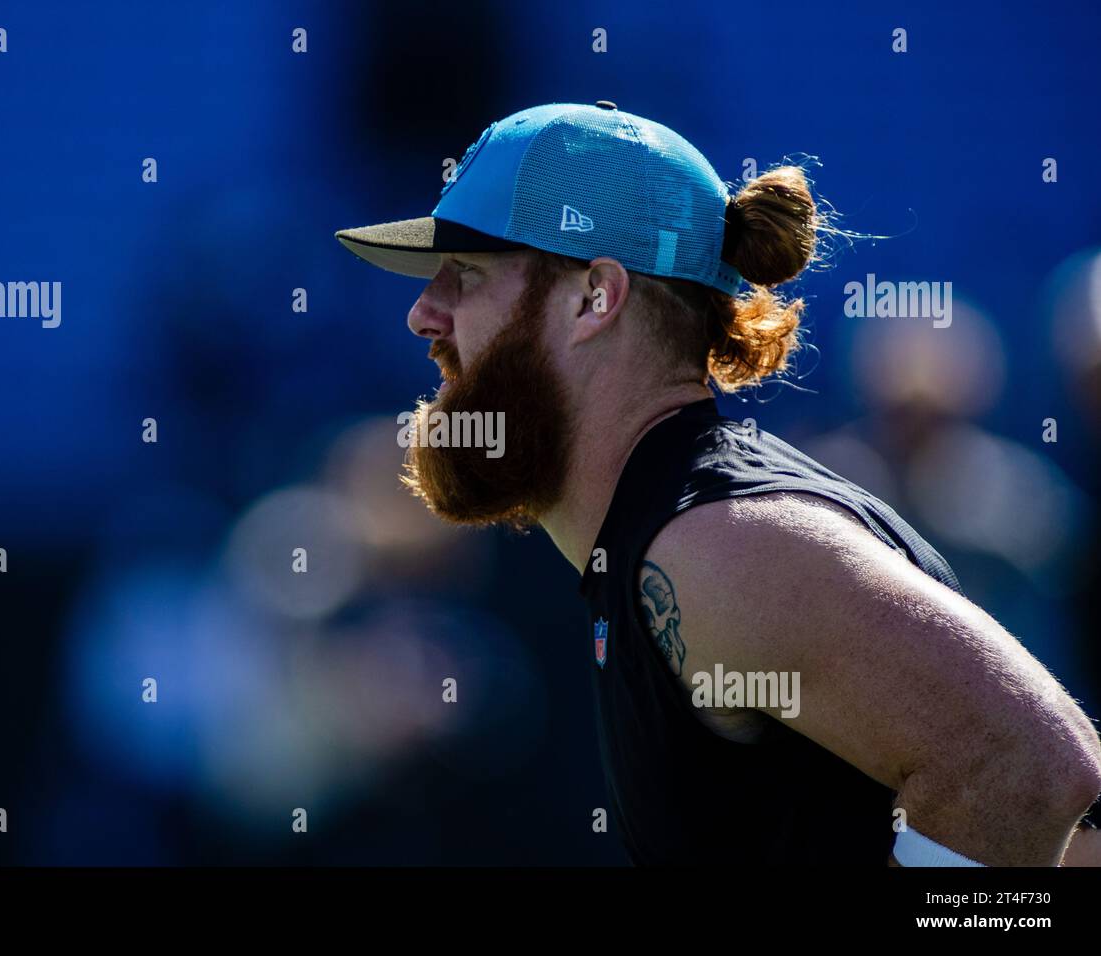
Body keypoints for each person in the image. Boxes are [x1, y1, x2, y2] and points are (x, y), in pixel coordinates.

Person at [335, 102, 1101, 865]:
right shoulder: (674, 531)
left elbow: (1032, 764)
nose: (423, 314)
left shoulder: (718, 546)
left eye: (465, 274)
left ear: (593, 297)